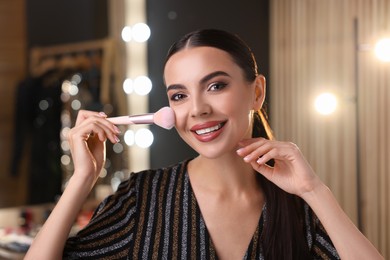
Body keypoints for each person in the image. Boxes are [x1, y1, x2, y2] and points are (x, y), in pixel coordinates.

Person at [25, 29, 384, 260]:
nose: (197, 109)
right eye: (179, 95)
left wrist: (314, 190)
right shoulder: (142, 198)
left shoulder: (298, 207)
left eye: (215, 86)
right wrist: (81, 180)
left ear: (256, 91)